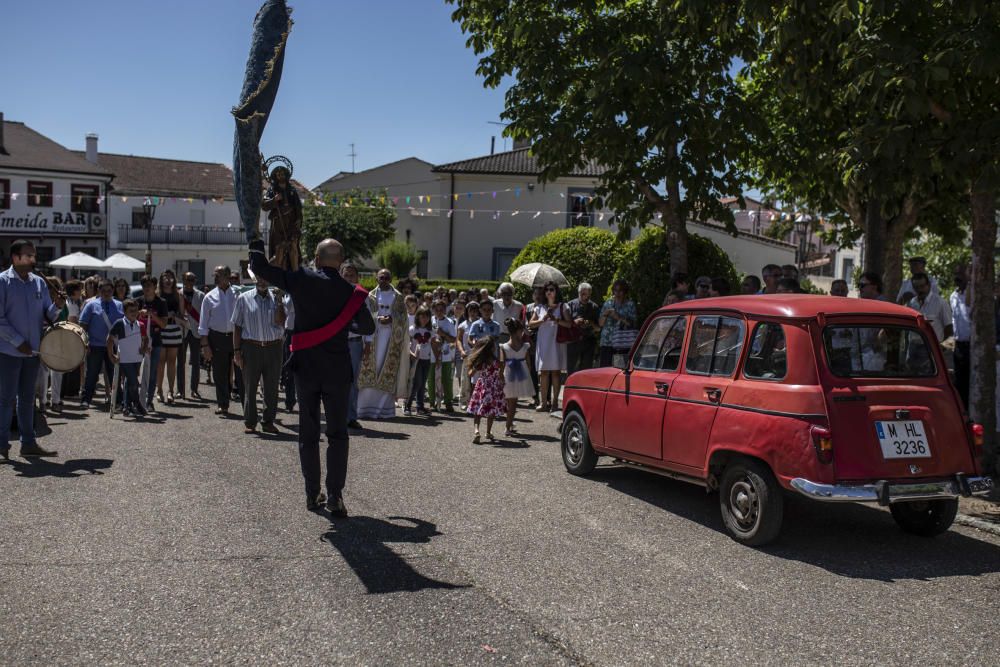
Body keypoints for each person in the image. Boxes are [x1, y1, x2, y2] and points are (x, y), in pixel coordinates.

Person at [249, 237, 375, 515]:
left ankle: (311, 493)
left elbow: (262, 270)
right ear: (341, 263)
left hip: (305, 368)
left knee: (308, 432)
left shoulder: (302, 278)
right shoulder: (350, 291)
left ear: (316, 259)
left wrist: (257, 243)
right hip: (337, 370)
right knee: (337, 434)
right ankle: (335, 496)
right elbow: (367, 327)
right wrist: (343, 320)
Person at [0, 240, 65, 458]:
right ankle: (1, 446)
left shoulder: (38, 282)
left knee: (28, 399)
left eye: (34, 255)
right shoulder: (2, 282)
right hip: (8, 352)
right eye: (28, 256)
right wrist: (18, 341)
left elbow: (48, 316)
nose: (33, 260)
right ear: (15, 258)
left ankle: (28, 443)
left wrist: (57, 305)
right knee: (6, 399)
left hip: (33, 353)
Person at [232, 276, 284, 434]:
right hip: (251, 347)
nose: (262, 281)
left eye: (265, 279)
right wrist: (237, 351)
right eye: (259, 278)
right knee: (250, 385)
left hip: (273, 347)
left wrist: (280, 301)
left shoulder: (276, 297)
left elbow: (281, 321)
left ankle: (268, 421)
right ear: (255, 279)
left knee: (272, 387)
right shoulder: (243, 298)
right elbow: (237, 326)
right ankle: (250, 421)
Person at [357, 269, 411, 419]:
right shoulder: (370, 296)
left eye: (387, 277)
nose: (384, 280)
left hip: (391, 339)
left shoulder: (398, 297)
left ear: (391, 279)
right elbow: (365, 315)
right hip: (372, 337)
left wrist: (392, 319)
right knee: (368, 369)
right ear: (376, 278)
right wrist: (377, 319)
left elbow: (404, 319)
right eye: (381, 277)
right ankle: (363, 408)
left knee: (386, 370)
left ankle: (384, 410)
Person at [199, 266, 240, 416]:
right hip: (217, 338)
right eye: (214, 275)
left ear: (228, 276)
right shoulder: (209, 297)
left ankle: (246, 405)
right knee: (220, 373)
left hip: (237, 337)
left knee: (241, 372)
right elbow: (203, 324)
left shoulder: (238, 293)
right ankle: (223, 404)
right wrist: (205, 345)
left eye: (219, 275)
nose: (215, 277)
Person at [79, 279, 124, 409]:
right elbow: (83, 326)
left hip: (113, 345)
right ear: (99, 291)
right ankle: (86, 400)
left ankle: (118, 401)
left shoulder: (120, 305)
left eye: (109, 291)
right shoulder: (91, 305)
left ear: (112, 291)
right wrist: (85, 344)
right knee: (92, 374)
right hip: (95, 345)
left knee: (114, 374)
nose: (106, 293)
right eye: (103, 291)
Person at [528, 280, 571, 413]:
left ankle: (554, 403)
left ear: (556, 291)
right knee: (544, 373)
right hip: (544, 342)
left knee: (556, 373)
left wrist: (556, 320)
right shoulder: (540, 307)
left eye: (552, 289)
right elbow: (531, 324)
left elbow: (569, 324)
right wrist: (544, 319)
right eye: (547, 290)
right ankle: (543, 403)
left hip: (556, 342)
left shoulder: (563, 306)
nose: (549, 292)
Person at [107, 299, 148, 418]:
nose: (134, 313)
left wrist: (144, 348)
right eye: (131, 311)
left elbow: (146, 339)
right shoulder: (119, 323)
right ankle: (137, 403)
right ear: (124, 312)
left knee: (129, 382)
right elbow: (109, 340)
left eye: (136, 310)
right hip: (124, 359)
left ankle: (126, 406)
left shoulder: (141, 325)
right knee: (134, 382)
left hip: (137, 358)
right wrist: (111, 355)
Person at [340, 262, 367, 430]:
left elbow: (368, 321)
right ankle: (337, 416)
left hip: (355, 343)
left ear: (357, 277)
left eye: (352, 275)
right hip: (338, 342)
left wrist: (369, 343)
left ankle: (351, 416)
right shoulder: (334, 294)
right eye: (346, 275)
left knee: (352, 382)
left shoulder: (361, 295)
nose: (349, 278)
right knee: (336, 381)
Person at [135, 275, 167, 410]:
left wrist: (152, 314)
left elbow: (164, 324)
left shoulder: (161, 303)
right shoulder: (137, 301)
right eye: (144, 286)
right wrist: (138, 314)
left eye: (149, 285)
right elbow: (130, 319)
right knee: (136, 371)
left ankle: (149, 400)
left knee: (152, 372)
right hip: (139, 342)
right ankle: (136, 400)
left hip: (156, 341)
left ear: (155, 287)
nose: (147, 288)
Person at [465, 336, 505, 444]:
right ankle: (488, 431)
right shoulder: (497, 362)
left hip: (482, 386)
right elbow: (501, 375)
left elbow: (470, 374)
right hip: (494, 387)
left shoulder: (480, 362)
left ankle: (477, 431)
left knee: (477, 411)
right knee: (491, 411)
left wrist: (469, 366)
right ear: (492, 348)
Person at [500, 319, 533, 436]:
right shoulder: (525, 346)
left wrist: (500, 377)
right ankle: (508, 426)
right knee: (513, 403)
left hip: (508, 374)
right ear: (519, 331)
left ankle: (510, 423)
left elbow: (502, 363)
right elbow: (528, 363)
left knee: (511, 402)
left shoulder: (504, 346)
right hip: (521, 375)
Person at [157, 272, 185, 404]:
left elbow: (182, 314)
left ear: (174, 279)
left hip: (174, 330)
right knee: (160, 362)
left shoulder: (178, 295)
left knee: (172, 362)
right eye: (165, 278)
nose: (168, 280)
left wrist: (174, 315)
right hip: (160, 330)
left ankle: (170, 391)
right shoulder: (157, 295)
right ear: (161, 280)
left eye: (170, 277)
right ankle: (159, 391)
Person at [599, 280, 637, 368]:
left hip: (622, 344)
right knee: (605, 370)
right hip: (607, 343)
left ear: (625, 292)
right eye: (616, 290)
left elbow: (633, 325)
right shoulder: (608, 303)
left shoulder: (630, 304)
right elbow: (600, 324)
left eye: (620, 290)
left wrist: (618, 317)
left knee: (620, 370)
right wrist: (605, 314)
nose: (618, 293)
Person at [178, 272, 204, 399]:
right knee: (180, 362)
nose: (189, 282)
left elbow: (203, 315)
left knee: (196, 362)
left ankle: (194, 389)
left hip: (195, 331)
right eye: (187, 279)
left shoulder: (201, 295)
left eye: (192, 279)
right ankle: (180, 390)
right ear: (182, 279)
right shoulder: (178, 294)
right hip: (182, 330)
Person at [907, 272, 953, 343]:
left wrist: (942, 347)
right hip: (913, 346)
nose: (919, 290)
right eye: (916, 287)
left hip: (932, 347)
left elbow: (949, 327)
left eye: (922, 286)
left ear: (929, 285)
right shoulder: (911, 303)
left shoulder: (940, 303)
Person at [429, 299, 457, 412]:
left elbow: (453, 340)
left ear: (445, 310)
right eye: (436, 310)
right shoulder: (430, 320)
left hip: (445, 356)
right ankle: (432, 401)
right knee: (431, 379)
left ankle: (448, 401)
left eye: (441, 310)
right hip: (431, 355)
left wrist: (443, 334)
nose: (439, 312)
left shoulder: (449, 322)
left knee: (446, 380)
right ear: (433, 310)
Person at [405, 306, 434, 417]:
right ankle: (407, 405)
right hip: (415, 360)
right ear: (418, 317)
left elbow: (434, 344)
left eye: (427, 316)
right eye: (422, 316)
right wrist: (411, 354)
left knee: (422, 384)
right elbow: (406, 344)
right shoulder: (413, 329)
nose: (424, 319)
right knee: (416, 383)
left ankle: (420, 407)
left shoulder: (430, 331)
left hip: (426, 360)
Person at [949, 265, 971, 409]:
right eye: (956, 274)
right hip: (958, 345)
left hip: (972, 345)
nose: (958, 277)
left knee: (971, 381)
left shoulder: (974, 294)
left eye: (961, 273)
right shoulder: (953, 296)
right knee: (959, 381)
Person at [567, 282, 600, 373]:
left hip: (588, 343)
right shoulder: (569, 305)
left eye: (588, 295)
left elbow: (599, 328)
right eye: (583, 294)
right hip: (573, 343)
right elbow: (564, 325)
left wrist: (591, 323)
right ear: (579, 293)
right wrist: (575, 322)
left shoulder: (594, 307)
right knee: (571, 371)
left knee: (586, 371)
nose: (585, 297)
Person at [456, 301, 480, 408]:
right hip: (467, 355)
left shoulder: (481, 323)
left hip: (479, 355)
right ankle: (465, 401)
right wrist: (461, 351)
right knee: (465, 379)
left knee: (476, 379)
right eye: (471, 310)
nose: (473, 313)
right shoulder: (463, 325)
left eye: (475, 311)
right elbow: (459, 340)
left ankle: (476, 401)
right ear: (467, 311)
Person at [277, 291, 297, 413]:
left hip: (303, 332)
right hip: (289, 332)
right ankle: (290, 401)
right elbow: (286, 310)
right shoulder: (288, 294)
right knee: (289, 367)